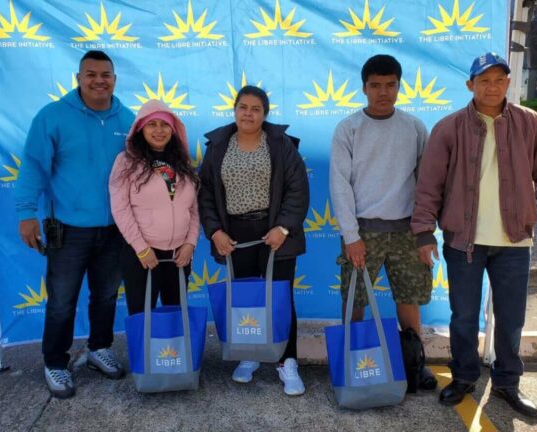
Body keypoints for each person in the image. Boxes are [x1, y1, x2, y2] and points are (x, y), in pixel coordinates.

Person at [411, 52, 537, 418]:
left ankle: (507, 383)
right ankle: (464, 376)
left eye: (499, 80)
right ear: (470, 85)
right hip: (463, 242)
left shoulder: (529, 123)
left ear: (508, 83)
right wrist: (423, 232)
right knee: (464, 317)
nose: (492, 87)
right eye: (484, 80)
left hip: (514, 241)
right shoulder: (449, 128)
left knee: (511, 319)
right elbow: (428, 186)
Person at [15, 50, 135, 399]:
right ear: (79, 78)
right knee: (62, 301)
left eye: (105, 75)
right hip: (67, 229)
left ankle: (99, 347)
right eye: (91, 74)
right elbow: (33, 166)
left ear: (115, 79)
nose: (99, 81)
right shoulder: (52, 117)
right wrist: (26, 213)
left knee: (106, 296)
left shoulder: (128, 120)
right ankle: (55, 361)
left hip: (114, 230)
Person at [329, 54, 437, 391]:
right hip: (363, 232)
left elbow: (427, 183)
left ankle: (415, 363)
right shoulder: (349, 129)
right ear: (364, 88)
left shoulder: (414, 128)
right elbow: (339, 184)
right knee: (355, 300)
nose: (383, 92)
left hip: (406, 230)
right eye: (375, 85)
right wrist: (351, 236)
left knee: (409, 297)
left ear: (399, 86)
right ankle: (353, 363)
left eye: (390, 85)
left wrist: (425, 231)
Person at [198, 85, 310, 396]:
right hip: (235, 235)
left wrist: (283, 228)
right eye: (243, 107)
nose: (248, 113)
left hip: (276, 233)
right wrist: (215, 232)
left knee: (280, 298)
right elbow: (205, 194)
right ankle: (249, 355)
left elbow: (297, 189)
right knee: (245, 299)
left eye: (256, 109)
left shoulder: (281, 144)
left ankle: (287, 361)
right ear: (234, 110)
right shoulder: (218, 146)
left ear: (265, 114)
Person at [109, 99, 199, 315]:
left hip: (179, 255)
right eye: (152, 124)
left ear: (173, 129)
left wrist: (190, 243)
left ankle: (174, 342)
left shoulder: (182, 162)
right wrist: (141, 248)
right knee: (142, 316)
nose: (159, 130)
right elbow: (120, 209)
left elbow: (193, 209)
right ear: (140, 128)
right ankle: (143, 344)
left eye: (165, 124)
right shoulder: (126, 162)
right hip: (141, 254)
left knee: (176, 315)